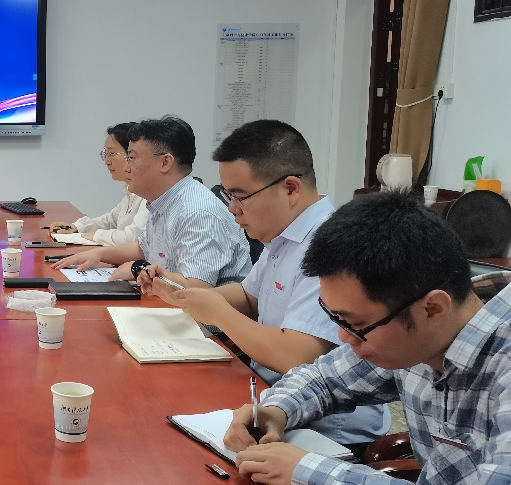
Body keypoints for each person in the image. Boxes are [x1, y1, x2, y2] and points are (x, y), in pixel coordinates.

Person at [224, 190, 511, 484]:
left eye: (356, 324)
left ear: (432, 309)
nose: (343, 336)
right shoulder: (421, 332)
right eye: (337, 318)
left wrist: (306, 472)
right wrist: (276, 410)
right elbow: (325, 379)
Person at [138, 120, 389, 448]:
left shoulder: (333, 245)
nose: (232, 208)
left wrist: (218, 312)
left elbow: (295, 356)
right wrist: (185, 293)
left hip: (324, 430)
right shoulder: (283, 234)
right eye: (228, 195)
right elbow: (248, 296)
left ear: (290, 189)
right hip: (269, 397)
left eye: (240, 196)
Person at [52, 115, 250, 286]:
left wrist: (139, 268)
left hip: (199, 318)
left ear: (165, 162)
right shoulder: (163, 201)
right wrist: (100, 254)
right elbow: (143, 248)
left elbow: (197, 287)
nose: (126, 167)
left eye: (131, 158)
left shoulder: (197, 211)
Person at [48, 122, 149, 246]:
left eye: (111, 154)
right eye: (105, 155)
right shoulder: (130, 191)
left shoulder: (149, 194)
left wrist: (95, 236)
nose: (107, 162)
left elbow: (133, 238)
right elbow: (110, 220)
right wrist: (77, 227)